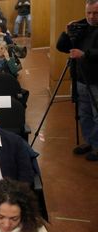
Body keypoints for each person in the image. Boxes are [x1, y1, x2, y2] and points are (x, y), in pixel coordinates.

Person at [56, 0, 98, 161]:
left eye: (95, 13)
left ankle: (97, 146)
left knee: (97, 115)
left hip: (96, 80)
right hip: (80, 78)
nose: (91, 17)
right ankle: (90, 142)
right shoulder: (81, 26)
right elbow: (62, 47)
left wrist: (85, 54)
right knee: (84, 113)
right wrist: (67, 33)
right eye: (89, 13)